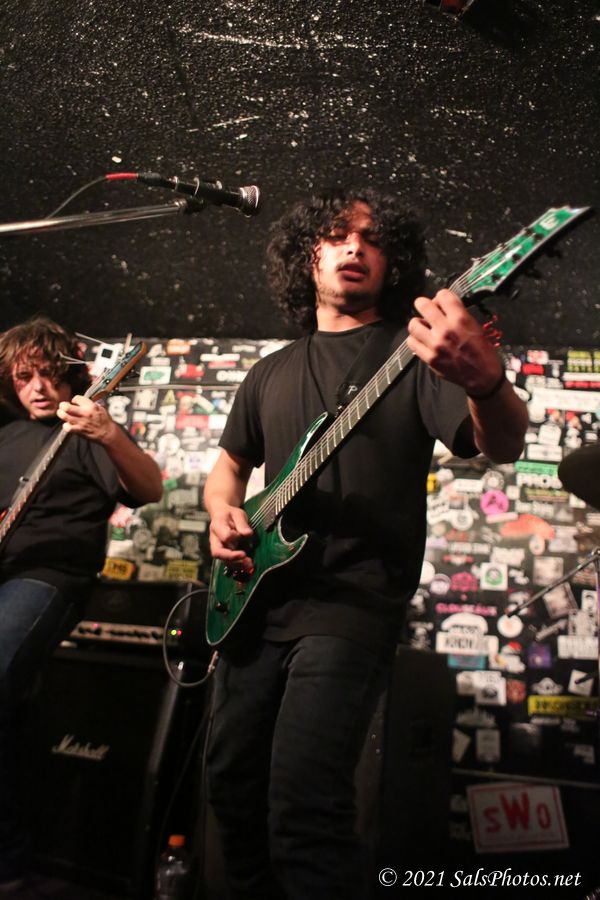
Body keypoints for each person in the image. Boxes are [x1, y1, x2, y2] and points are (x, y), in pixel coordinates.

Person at [203, 187, 529, 900]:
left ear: (395, 263)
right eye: (336, 235)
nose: (355, 246)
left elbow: (502, 443)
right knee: (230, 788)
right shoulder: (268, 372)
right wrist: (222, 514)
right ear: (307, 256)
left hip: (350, 605)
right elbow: (227, 470)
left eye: (374, 238)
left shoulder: (413, 355)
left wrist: (487, 383)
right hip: (254, 606)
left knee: (304, 807)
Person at [0, 316, 163, 896]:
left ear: (71, 374)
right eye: (25, 377)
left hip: (50, 578)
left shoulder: (86, 429)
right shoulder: (7, 437)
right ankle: (9, 861)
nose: (39, 387)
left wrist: (109, 433)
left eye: (48, 374)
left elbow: (150, 489)